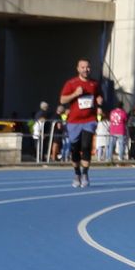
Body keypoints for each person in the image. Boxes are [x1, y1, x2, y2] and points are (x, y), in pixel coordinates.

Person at [58, 59, 100, 188]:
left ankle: (85, 174)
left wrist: (100, 100)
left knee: (87, 146)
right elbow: (62, 99)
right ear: (78, 69)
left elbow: (99, 96)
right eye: (83, 67)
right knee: (75, 149)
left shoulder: (94, 84)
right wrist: (75, 94)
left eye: (87, 67)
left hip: (89, 120)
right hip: (74, 121)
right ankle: (77, 174)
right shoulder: (71, 83)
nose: (85, 69)